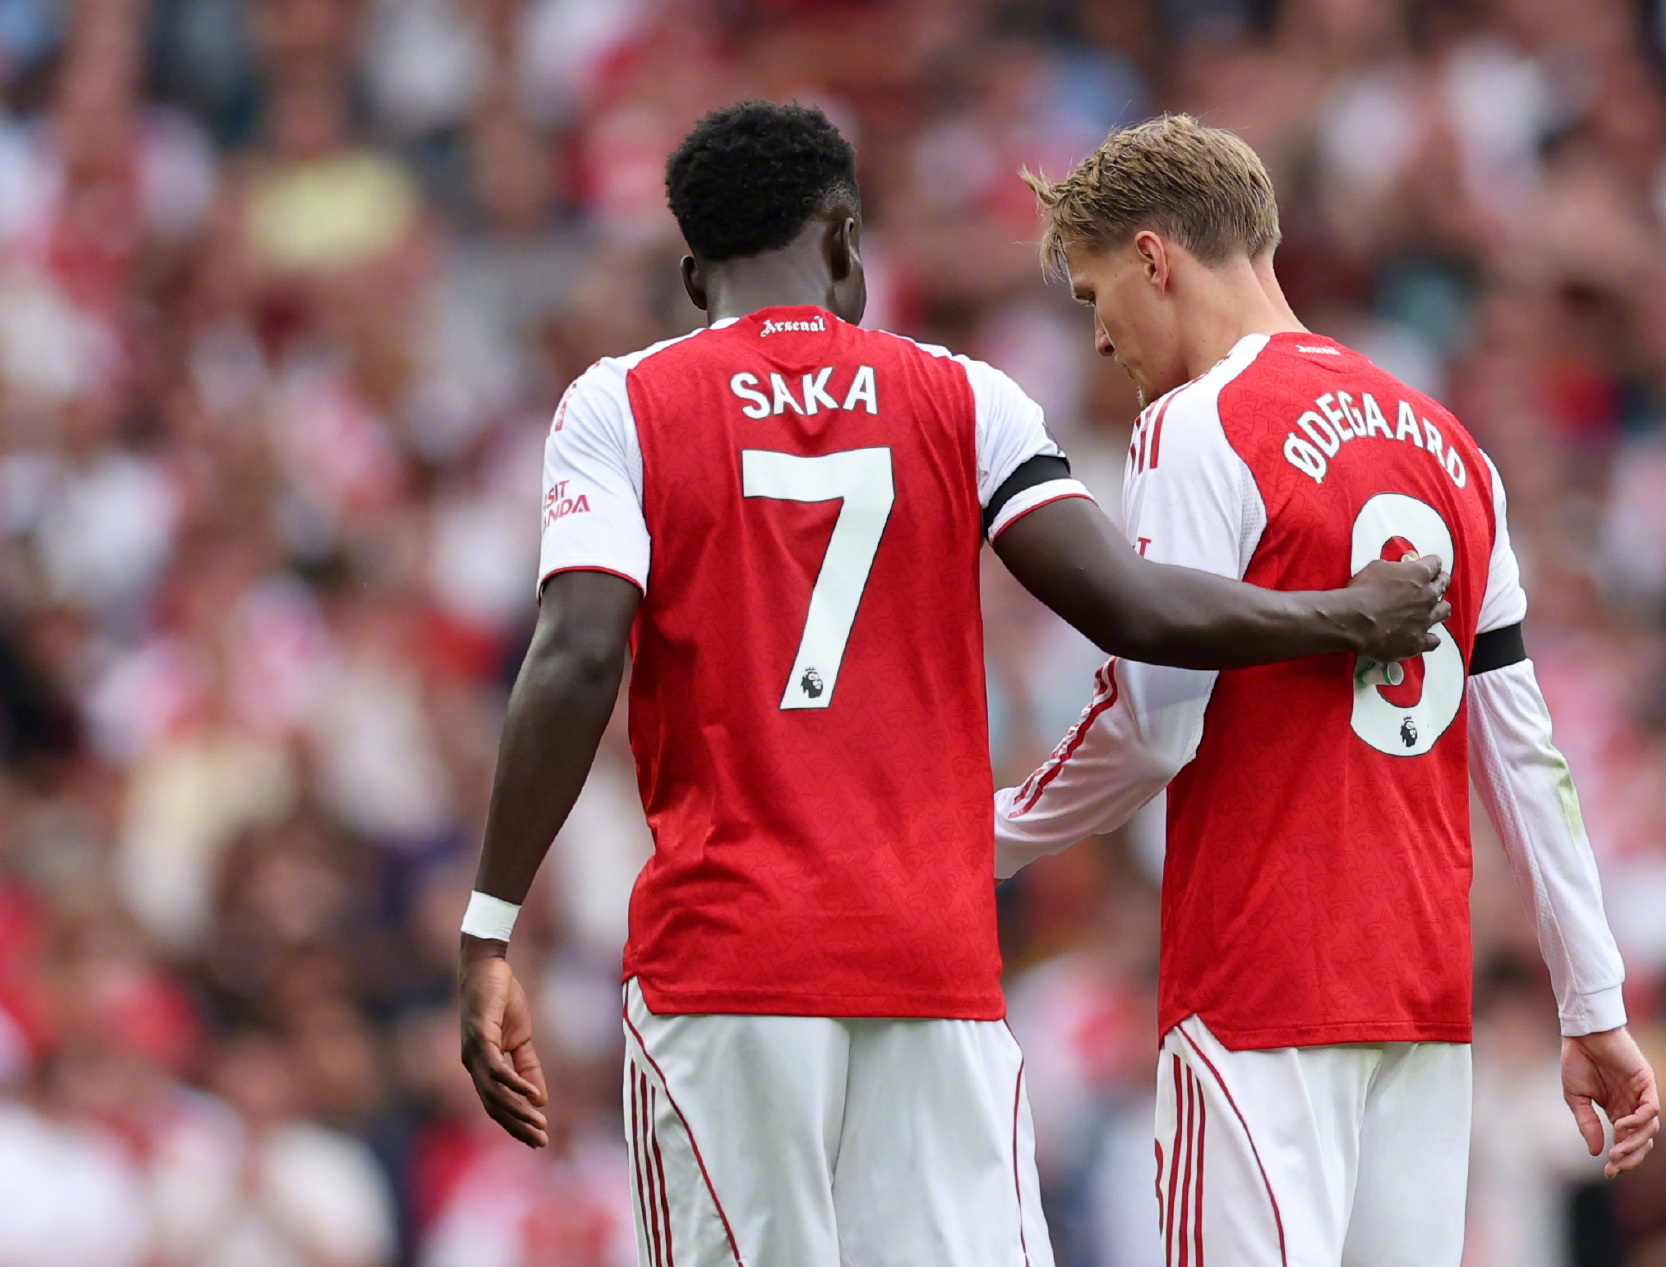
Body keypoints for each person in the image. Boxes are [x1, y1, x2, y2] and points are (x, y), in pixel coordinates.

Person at [454, 101, 1451, 1267]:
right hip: (930, 958)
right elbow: (1127, 605)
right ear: (844, 242)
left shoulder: (617, 405)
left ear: (692, 276)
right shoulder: (965, 397)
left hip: (727, 962)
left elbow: (577, 657)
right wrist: (1342, 613)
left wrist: (489, 929)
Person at [996, 115, 1663, 1266]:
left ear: (1154, 259)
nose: (1099, 339)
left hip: (1260, 983)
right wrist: (1591, 999)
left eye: (1095, 294)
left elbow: (1152, 725)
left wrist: (984, 837)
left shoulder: (1194, 424)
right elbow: (1523, 751)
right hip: (1419, 997)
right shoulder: (1450, 447)